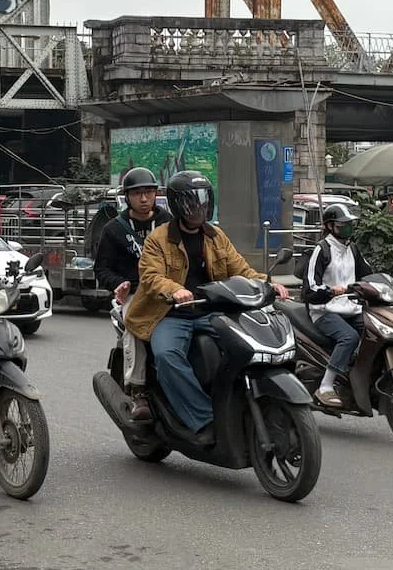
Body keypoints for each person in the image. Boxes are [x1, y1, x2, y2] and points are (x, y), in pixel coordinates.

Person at [123, 171, 287, 446]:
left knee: (247, 348)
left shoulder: (216, 236)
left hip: (213, 312)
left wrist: (268, 283)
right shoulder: (158, 239)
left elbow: (240, 269)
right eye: (191, 202)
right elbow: (151, 276)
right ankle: (204, 418)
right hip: (172, 314)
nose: (198, 208)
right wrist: (175, 290)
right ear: (177, 205)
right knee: (167, 355)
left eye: (202, 201)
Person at [94, 167, 170, 421]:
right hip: (137, 293)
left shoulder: (169, 223)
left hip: (170, 290)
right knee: (136, 326)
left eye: (148, 192)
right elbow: (101, 268)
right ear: (127, 197)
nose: (144, 198)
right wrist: (119, 284)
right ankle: (137, 391)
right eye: (137, 193)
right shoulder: (114, 229)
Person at [302, 203, 364, 409]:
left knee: (374, 330)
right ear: (330, 226)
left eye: (349, 225)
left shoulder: (352, 249)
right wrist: (330, 292)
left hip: (351, 307)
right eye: (342, 225)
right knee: (350, 337)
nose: (347, 229)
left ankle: (354, 375)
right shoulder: (321, 250)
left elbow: (368, 273)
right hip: (324, 310)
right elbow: (310, 290)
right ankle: (326, 386)